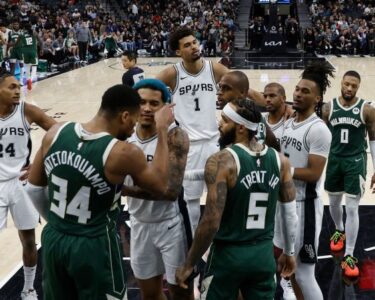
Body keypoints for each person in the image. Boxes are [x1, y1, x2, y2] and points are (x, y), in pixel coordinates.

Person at [25, 84, 175, 299]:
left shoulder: (56, 132)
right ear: (124, 116)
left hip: (54, 239)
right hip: (94, 244)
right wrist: (161, 130)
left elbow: (33, 188)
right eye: (133, 122)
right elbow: (161, 186)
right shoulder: (123, 152)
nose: (133, 129)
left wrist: (60, 223)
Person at [176, 99, 298, 299]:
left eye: (224, 121)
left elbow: (210, 222)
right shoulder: (280, 161)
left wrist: (189, 264)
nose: (219, 125)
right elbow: (290, 214)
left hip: (228, 256)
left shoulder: (222, 161)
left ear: (240, 127)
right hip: (263, 256)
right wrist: (290, 251)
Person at [156, 27, 265, 234]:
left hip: (215, 142)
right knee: (192, 201)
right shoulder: (173, 73)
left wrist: (272, 105)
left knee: (222, 195)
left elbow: (245, 90)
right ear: (178, 52)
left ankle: (222, 238)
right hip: (189, 146)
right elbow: (148, 89)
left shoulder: (213, 68)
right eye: (187, 45)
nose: (194, 47)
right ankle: (197, 246)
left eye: (194, 42)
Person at [122, 78, 192, 300]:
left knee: (181, 293)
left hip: (171, 225)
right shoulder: (124, 137)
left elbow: (169, 192)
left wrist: (120, 188)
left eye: (154, 103)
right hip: (139, 224)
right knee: (150, 295)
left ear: (166, 107)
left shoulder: (175, 136)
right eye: (141, 102)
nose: (146, 108)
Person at [0, 71, 56, 299]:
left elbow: (58, 132)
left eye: (18, 86)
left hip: (22, 183)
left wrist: (38, 164)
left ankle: (29, 288)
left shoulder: (26, 110)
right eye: (11, 87)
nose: (17, 90)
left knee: (29, 239)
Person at [280, 62, 333, 300]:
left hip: (305, 207)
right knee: (288, 270)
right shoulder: (290, 122)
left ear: (317, 98)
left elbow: (314, 173)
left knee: (303, 274)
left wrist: (284, 170)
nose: (299, 94)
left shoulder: (319, 129)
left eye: (306, 91)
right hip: (285, 204)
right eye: (298, 89)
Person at [322, 70, 375, 279]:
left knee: (352, 207)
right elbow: (321, 138)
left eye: (354, 85)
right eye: (346, 84)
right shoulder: (328, 108)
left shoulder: (367, 110)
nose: (349, 88)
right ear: (341, 84)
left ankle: (350, 255)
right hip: (335, 160)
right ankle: (338, 230)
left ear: (358, 87)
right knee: (334, 204)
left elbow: (372, 140)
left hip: (355, 161)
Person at [263, 82, 296, 300]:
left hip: (290, 188)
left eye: (272, 96)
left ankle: (288, 281)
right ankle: (275, 277)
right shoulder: (261, 124)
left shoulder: (293, 122)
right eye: (265, 96)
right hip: (266, 187)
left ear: (283, 99)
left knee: (288, 237)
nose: (267, 100)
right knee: (271, 238)